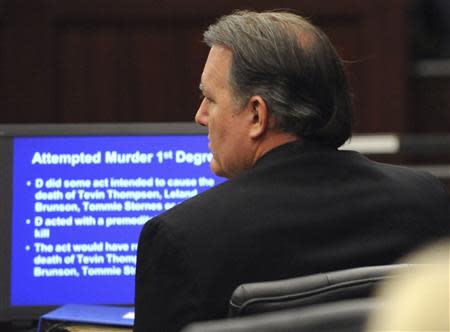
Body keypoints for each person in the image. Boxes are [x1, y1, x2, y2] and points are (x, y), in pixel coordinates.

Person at [133, 10, 450, 332]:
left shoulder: (179, 238)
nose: (200, 115)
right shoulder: (425, 200)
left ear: (257, 115)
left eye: (210, 99)